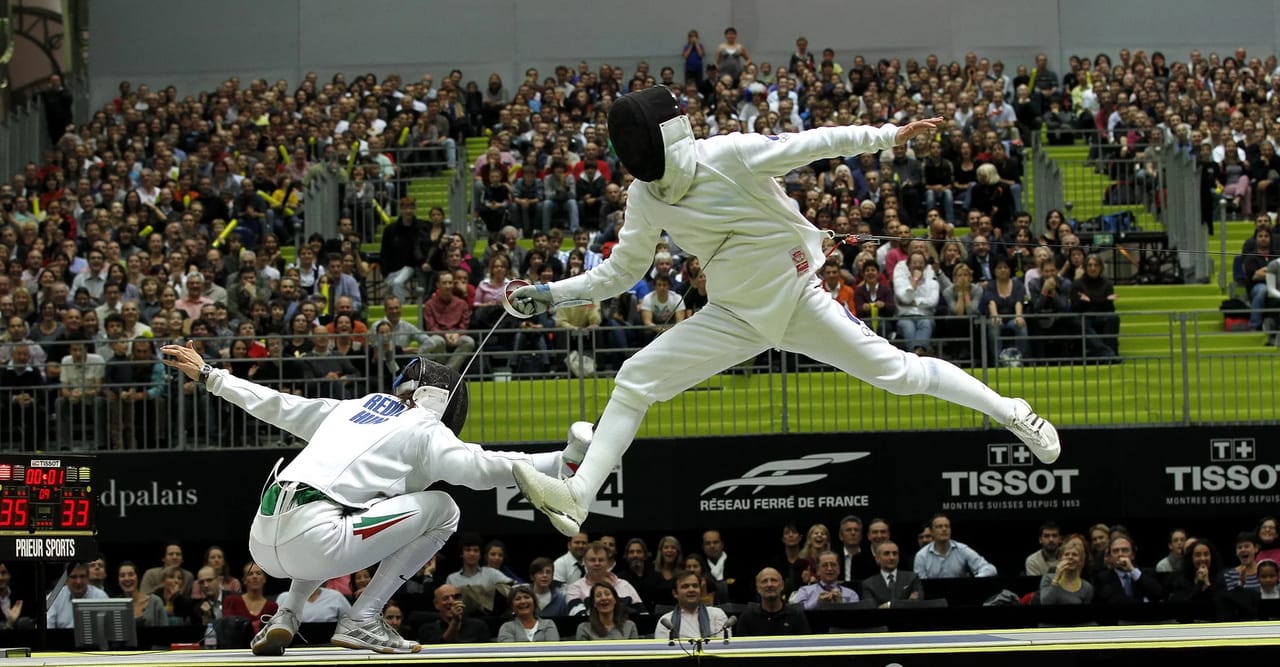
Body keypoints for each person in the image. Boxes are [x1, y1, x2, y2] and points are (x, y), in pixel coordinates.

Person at [509, 87, 1059, 536]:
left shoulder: (728, 155)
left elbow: (814, 142)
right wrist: (552, 294)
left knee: (901, 375)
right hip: (733, 316)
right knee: (634, 379)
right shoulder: (645, 196)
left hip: (797, 301)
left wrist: (889, 136)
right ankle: (580, 497)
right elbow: (622, 271)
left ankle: (1011, 410)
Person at [159, 343, 589, 655]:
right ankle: (363, 618)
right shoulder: (426, 429)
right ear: (444, 403)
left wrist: (211, 375)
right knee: (444, 511)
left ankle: (287, 613)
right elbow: (483, 467)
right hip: (317, 539)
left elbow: (277, 404)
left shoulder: (354, 407)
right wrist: (562, 461)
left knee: (347, 511)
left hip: (263, 534)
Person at [734, 567, 811, 636]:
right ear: (757, 588)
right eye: (764, 581)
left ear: (782, 585)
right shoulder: (747, 617)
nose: (769, 584)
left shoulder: (796, 615)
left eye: (773, 580)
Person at [656, 570, 731, 640]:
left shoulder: (717, 615)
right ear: (675, 593)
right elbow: (663, 650)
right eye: (685, 586)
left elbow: (723, 646)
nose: (691, 590)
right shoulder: (666, 621)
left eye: (695, 586)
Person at [860, 541, 922, 607]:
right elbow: (871, 607)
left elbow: (917, 603)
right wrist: (906, 602)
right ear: (877, 559)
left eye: (895, 553)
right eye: (887, 554)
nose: (892, 557)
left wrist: (888, 605)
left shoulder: (912, 578)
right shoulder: (868, 584)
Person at [789, 551, 859, 610]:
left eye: (833, 565)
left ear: (839, 570)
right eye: (825, 565)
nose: (829, 568)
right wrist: (817, 603)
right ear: (818, 570)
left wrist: (841, 605)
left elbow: (855, 619)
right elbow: (796, 612)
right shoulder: (804, 591)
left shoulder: (851, 594)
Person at [47, 562, 109, 629]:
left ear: (88, 578)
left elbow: (108, 629)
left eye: (82, 576)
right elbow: (46, 628)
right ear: (66, 579)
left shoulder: (101, 597)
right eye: (73, 577)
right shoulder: (54, 597)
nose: (78, 582)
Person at [1039, 539, 1093, 605]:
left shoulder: (1087, 587)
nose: (1070, 557)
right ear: (1060, 559)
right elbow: (1045, 602)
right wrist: (1056, 578)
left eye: (1074, 554)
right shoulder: (1048, 578)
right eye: (1066, 554)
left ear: (1080, 561)